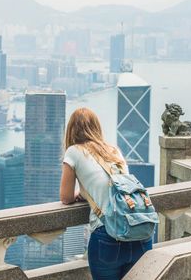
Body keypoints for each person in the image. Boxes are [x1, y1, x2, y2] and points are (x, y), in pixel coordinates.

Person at [60, 107, 152, 280]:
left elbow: (65, 197)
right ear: (97, 127)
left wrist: (81, 193)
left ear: (71, 130)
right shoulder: (114, 150)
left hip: (108, 236)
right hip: (140, 232)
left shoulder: (73, 151)